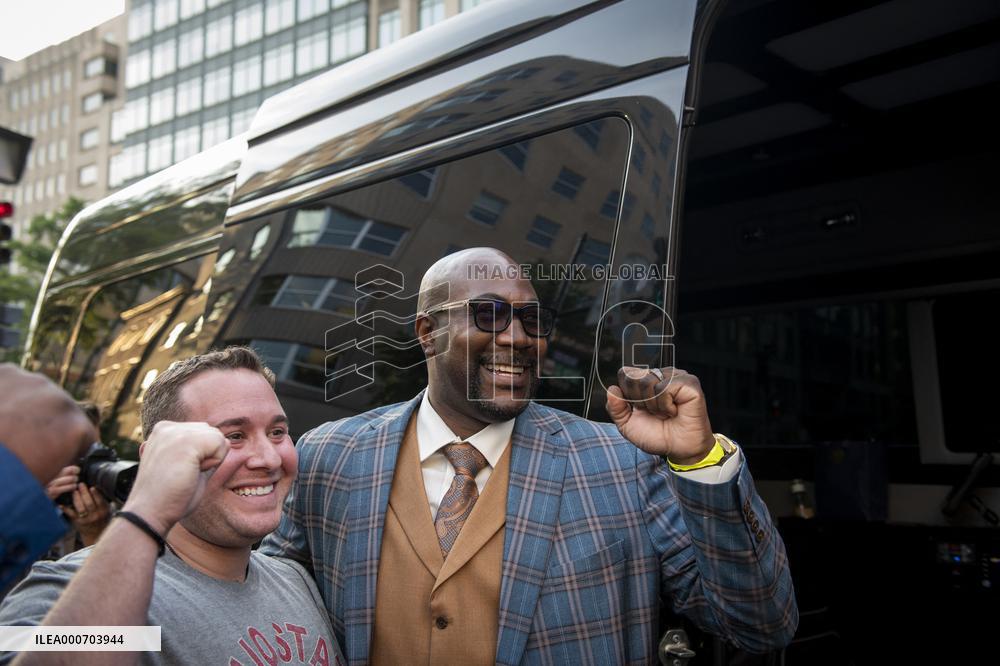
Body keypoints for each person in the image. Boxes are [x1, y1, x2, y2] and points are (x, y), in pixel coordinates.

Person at [262, 248, 798, 664]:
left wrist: (701, 462)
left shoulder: (622, 463)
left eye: (531, 321)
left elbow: (762, 623)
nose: (518, 339)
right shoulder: (330, 456)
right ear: (428, 332)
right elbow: (263, 596)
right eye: (489, 315)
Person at [0, 348, 344, 666]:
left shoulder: (296, 580)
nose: (269, 459)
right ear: (157, 458)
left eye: (277, 432)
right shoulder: (74, 591)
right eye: (234, 435)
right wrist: (148, 508)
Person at [0, 365, 97, 592]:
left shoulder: (100, 509)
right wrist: (32, 498)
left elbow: (104, 626)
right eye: (76, 458)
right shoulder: (33, 511)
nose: (82, 472)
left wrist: (96, 533)